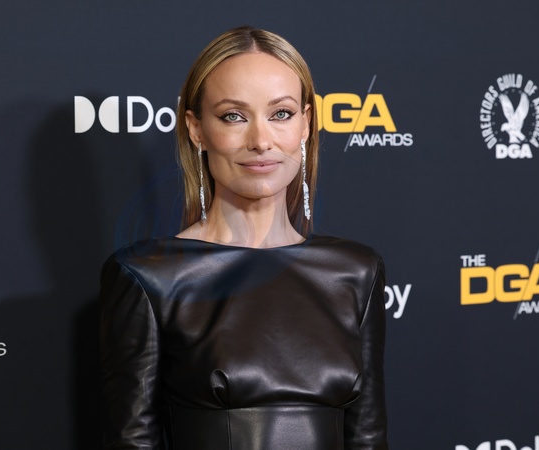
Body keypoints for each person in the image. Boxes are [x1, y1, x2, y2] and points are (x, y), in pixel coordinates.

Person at [99, 26, 388, 449]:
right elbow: (133, 441)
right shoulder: (148, 277)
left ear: (306, 124)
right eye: (233, 116)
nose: (261, 141)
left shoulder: (356, 271)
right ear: (196, 129)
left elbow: (369, 438)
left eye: (281, 114)